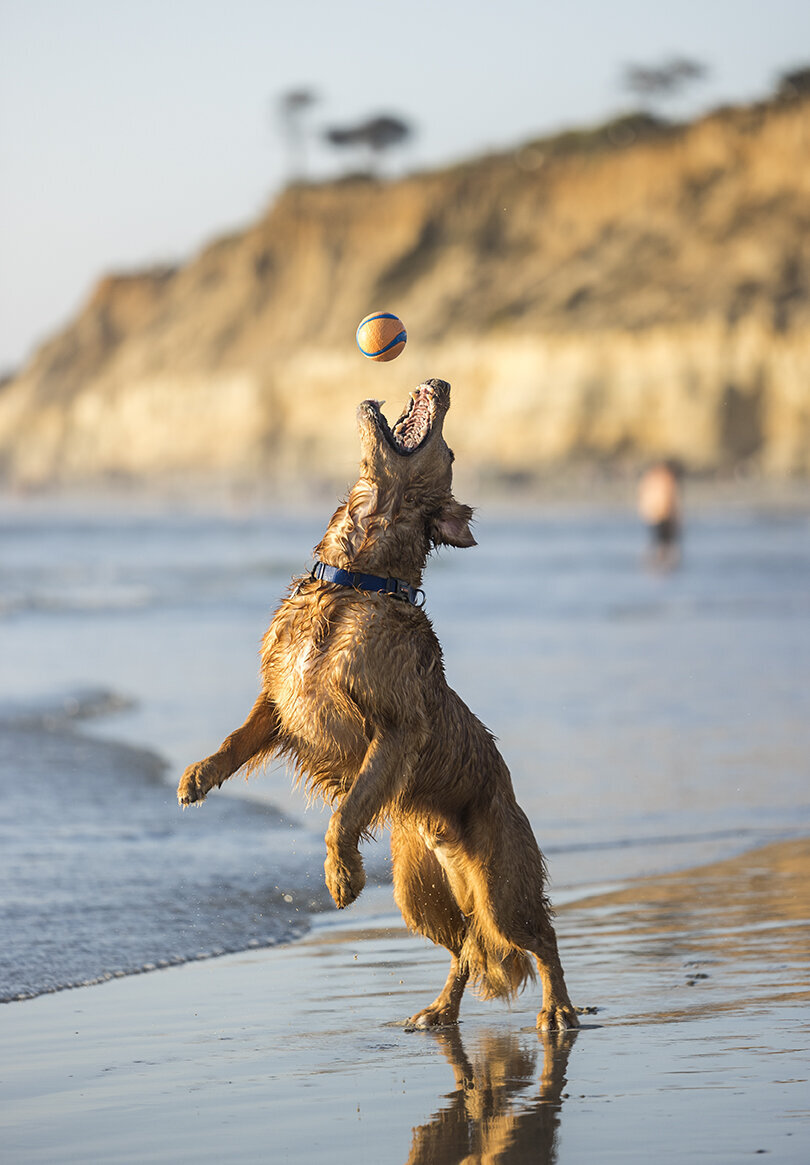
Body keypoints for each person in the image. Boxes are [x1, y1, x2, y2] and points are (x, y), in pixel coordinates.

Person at [637, 459, 683, 569]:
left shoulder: (653, 479)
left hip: (658, 515)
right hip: (662, 515)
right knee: (663, 541)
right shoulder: (664, 479)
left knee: (662, 541)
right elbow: (671, 499)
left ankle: (661, 562)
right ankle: (662, 562)